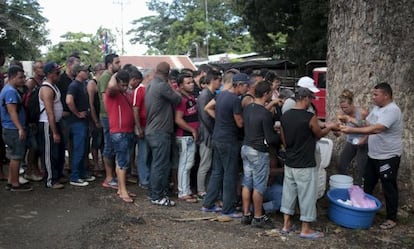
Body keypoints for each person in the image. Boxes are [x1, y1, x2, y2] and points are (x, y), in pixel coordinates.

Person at [341, 82, 402, 230]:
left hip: (388, 156)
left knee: (389, 186)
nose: (372, 97)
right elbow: (368, 124)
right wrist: (353, 124)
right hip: (373, 155)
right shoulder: (377, 108)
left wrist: (351, 129)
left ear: (386, 95)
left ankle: (391, 218)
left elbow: (377, 128)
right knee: (367, 183)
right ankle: (363, 211)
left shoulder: (392, 110)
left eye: (376, 94)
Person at [279, 87, 337, 239]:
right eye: (310, 99)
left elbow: (283, 140)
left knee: (288, 193)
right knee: (307, 196)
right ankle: (305, 229)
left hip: (290, 161)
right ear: (305, 99)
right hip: (305, 162)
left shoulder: (285, 115)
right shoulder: (309, 117)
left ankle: (286, 225)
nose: (310, 102)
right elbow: (319, 135)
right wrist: (329, 127)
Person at [201, 73, 245, 218]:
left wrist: (220, 118)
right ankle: (228, 208)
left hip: (217, 137)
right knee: (230, 174)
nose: (247, 88)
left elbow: (208, 107)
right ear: (238, 85)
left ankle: (208, 204)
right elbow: (239, 123)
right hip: (229, 140)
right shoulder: (235, 100)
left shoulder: (221, 95)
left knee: (217, 172)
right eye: (245, 85)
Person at [240, 81, 279, 229]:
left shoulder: (248, 107)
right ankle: (258, 217)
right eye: (270, 92)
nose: (271, 94)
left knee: (247, 182)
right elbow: (270, 139)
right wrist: (279, 135)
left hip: (246, 147)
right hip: (258, 151)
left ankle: (246, 214)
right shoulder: (265, 114)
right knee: (259, 186)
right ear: (265, 94)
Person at [145, 62, 181, 207]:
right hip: (160, 131)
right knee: (160, 165)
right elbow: (178, 99)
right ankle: (157, 196)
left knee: (156, 164)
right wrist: (171, 85)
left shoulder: (150, 84)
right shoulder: (162, 85)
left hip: (152, 129)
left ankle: (154, 193)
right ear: (167, 74)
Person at [105, 70, 135, 203]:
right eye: (122, 85)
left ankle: (120, 188)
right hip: (119, 132)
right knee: (122, 161)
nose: (124, 87)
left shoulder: (125, 94)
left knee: (122, 161)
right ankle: (123, 190)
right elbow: (111, 86)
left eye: (126, 85)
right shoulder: (112, 93)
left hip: (127, 131)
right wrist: (115, 75)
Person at [0, 66, 32, 191]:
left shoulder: (10, 90)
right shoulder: (10, 92)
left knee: (15, 156)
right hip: (12, 129)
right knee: (16, 157)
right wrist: (20, 128)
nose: (23, 80)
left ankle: (11, 180)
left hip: (11, 127)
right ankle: (15, 183)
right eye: (20, 77)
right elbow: (12, 112)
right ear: (12, 77)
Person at [66, 64, 96, 186]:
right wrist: (77, 114)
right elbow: (69, 100)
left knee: (83, 149)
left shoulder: (82, 84)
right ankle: (74, 176)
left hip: (82, 122)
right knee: (78, 150)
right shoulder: (74, 85)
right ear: (78, 72)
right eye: (85, 70)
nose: (88, 72)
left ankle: (82, 174)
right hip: (77, 123)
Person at [38, 62, 65, 189]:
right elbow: (49, 112)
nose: (59, 75)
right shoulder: (47, 89)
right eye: (57, 73)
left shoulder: (53, 86)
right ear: (49, 74)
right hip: (48, 124)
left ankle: (56, 175)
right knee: (50, 153)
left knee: (58, 151)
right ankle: (50, 179)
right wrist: (54, 132)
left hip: (55, 123)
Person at [196, 70, 222, 199]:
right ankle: (201, 190)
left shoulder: (211, 94)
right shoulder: (205, 95)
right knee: (205, 164)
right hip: (206, 134)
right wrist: (214, 130)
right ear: (213, 80)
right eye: (219, 80)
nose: (220, 83)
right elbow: (205, 116)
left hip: (209, 133)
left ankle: (206, 189)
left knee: (209, 164)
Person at [174, 73, 199, 203]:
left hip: (189, 136)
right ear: (180, 85)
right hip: (184, 136)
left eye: (192, 82)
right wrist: (192, 130)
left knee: (188, 164)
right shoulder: (181, 100)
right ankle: (183, 191)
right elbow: (178, 119)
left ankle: (186, 189)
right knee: (185, 165)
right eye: (188, 83)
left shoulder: (191, 97)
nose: (192, 85)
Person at [335, 89, 368, 186]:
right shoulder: (341, 113)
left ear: (351, 104)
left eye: (345, 107)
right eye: (342, 107)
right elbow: (339, 129)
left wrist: (364, 139)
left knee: (362, 169)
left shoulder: (362, 113)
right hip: (351, 141)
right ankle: (345, 185)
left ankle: (361, 190)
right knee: (341, 164)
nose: (344, 110)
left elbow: (370, 129)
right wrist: (337, 131)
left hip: (363, 142)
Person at [99, 53, 121, 189]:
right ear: (109, 64)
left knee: (112, 145)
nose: (120, 64)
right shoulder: (106, 77)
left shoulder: (111, 77)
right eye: (117, 62)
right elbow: (104, 98)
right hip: (107, 117)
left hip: (110, 116)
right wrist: (112, 115)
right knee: (109, 146)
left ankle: (112, 175)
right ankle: (108, 177)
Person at [23, 60, 45, 182]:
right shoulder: (31, 82)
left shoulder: (42, 82)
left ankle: (36, 168)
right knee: (33, 146)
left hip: (38, 118)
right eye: (40, 67)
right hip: (31, 119)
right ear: (35, 69)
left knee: (38, 146)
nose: (42, 69)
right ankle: (29, 170)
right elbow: (25, 101)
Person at [132, 68, 154, 190]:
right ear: (147, 76)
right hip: (143, 125)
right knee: (143, 153)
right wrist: (138, 127)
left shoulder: (150, 89)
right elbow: (135, 109)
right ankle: (144, 179)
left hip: (151, 126)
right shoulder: (139, 90)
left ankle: (149, 177)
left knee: (149, 153)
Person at [87, 63, 105, 177]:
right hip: (95, 117)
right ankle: (96, 165)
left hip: (102, 116)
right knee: (96, 141)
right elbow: (91, 104)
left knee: (103, 142)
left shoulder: (102, 82)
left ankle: (103, 163)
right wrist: (96, 120)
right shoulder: (92, 83)